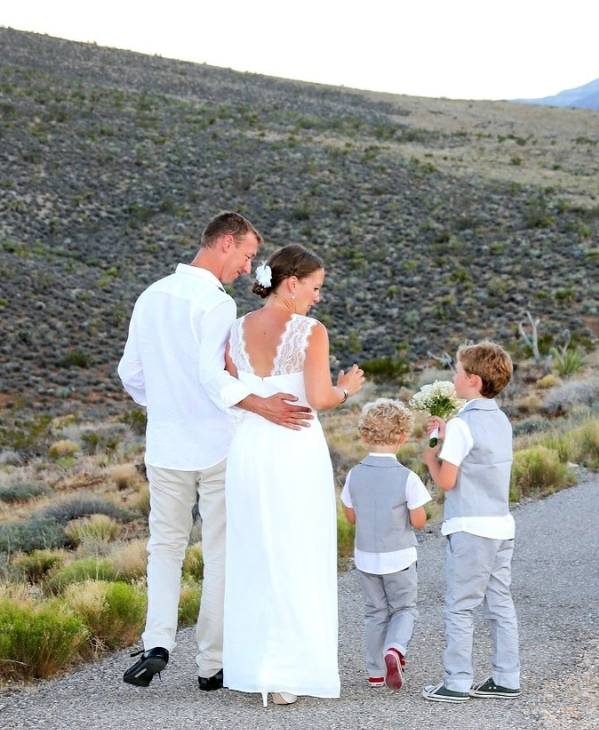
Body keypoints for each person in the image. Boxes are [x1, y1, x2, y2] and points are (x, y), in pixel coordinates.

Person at [118, 211, 312, 692]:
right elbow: (212, 376)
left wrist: (166, 405)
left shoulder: (151, 295)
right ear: (225, 243)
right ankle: (211, 665)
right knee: (220, 552)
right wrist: (260, 405)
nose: (248, 268)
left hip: (164, 445)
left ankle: (157, 643)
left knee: (164, 547)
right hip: (218, 444)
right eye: (247, 255)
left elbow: (130, 374)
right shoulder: (216, 304)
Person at [222, 243, 365, 707]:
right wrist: (347, 389)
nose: (318, 297)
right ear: (291, 283)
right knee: (298, 550)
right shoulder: (310, 330)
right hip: (295, 449)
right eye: (315, 287)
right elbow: (319, 398)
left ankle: (261, 668)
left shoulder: (236, 328)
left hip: (248, 449)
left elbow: (231, 387)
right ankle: (290, 672)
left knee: (256, 552)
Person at [420, 341, 521, 703]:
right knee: (499, 604)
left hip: (469, 527)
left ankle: (458, 681)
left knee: (460, 606)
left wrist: (431, 457)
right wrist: (450, 435)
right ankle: (507, 677)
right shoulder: (500, 419)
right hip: (500, 525)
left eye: (458, 372)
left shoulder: (463, 424)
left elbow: (447, 482)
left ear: (473, 380)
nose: (454, 377)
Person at [340, 399, 432, 692]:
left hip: (366, 558)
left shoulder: (354, 474)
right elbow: (419, 521)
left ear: (364, 435)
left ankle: (375, 673)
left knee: (375, 612)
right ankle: (395, 649)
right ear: (403, 437)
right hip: (400, 557)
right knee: (404, 608)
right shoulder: (407, 477)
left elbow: (351, 517)